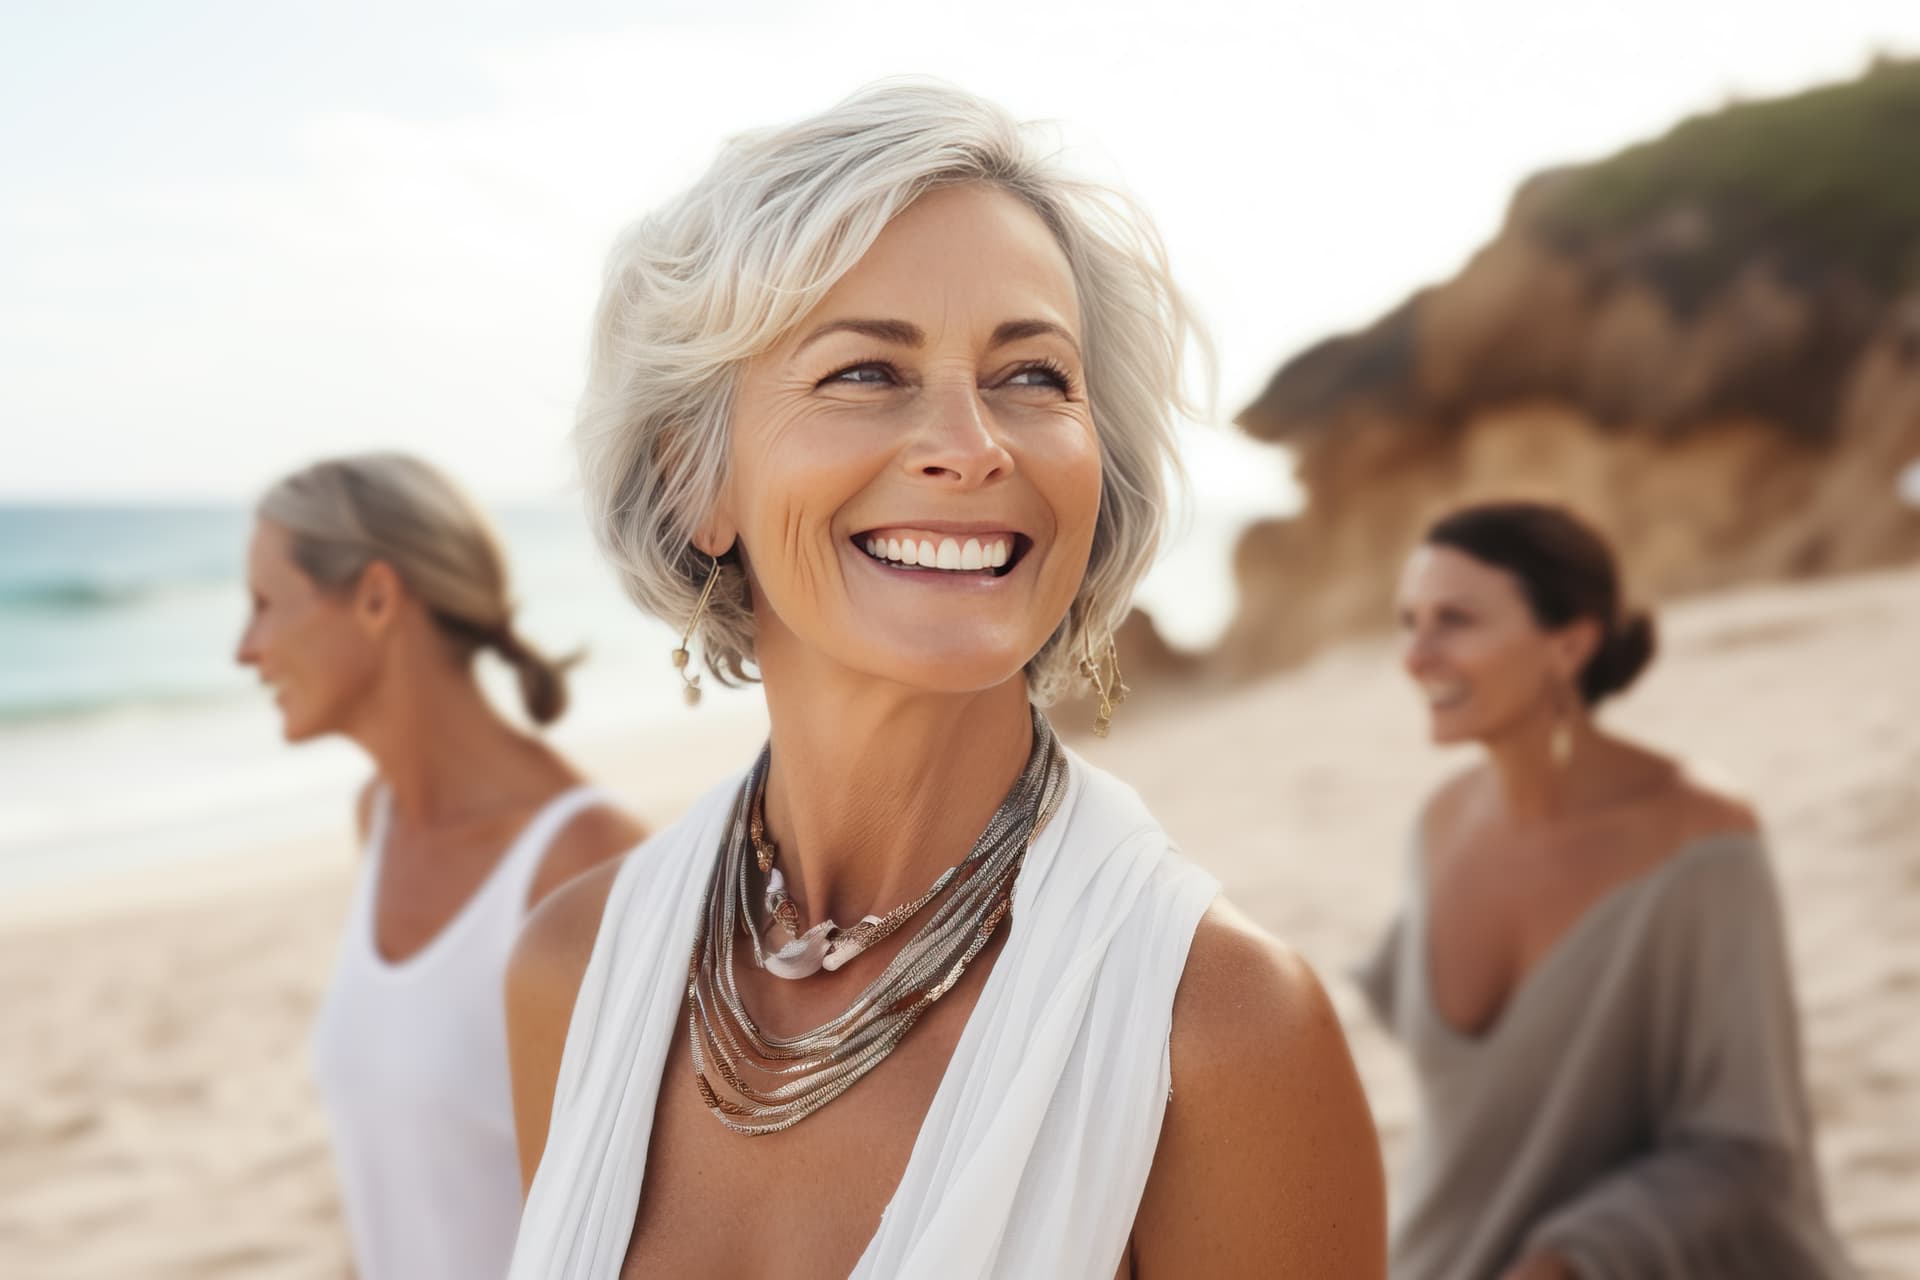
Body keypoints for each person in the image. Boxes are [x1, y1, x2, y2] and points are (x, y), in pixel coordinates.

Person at [504, 82, 1385, 1279]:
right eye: (866, 372)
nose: (974, 447)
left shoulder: (1219, 1032)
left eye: (1032, 377)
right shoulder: (575, 969)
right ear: (692, 479)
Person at [1361, 500, 1856, 1279]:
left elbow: (1748, 1151)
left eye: (1454, 620)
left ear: (1570, 642)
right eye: (1407, 620)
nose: (1416, 655)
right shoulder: (1436, 824)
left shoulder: (1705, 846)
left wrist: (1564, 1262)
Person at [235, 453, 647, 1280]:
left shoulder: (586, 864)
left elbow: (622, 1235)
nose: (247, 649)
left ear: (378, 598)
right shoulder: (379, 820)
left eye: (266, 605)